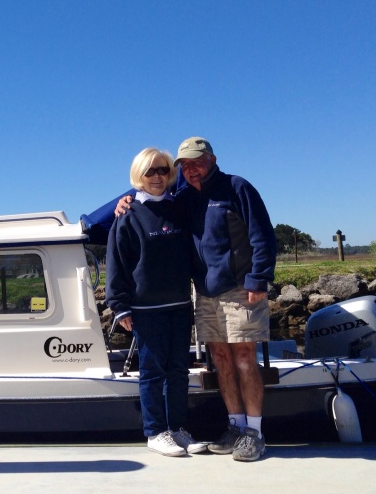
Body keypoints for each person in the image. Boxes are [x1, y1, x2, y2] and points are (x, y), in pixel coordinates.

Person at [116, 137, 276, 462]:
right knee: (221, 360)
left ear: (212, 159)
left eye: (197, 162)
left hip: (241, 290)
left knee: (245, 359)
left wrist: (259, 279)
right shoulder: (181, 197)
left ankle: (255, 433)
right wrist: (122, 201)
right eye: (184, 165)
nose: (191, 169)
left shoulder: (237, 187)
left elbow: (263, 235)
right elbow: (140, 208)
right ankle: (235, 426)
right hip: (204, 294)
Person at [106, 147, 206, 457]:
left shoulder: (179, 209)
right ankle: (155, 432)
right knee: (151, 372)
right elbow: (117, 263)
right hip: (145, 310)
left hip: (178, 306)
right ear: (139, 175)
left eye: (163, 170)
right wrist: (119, 305)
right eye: (150, 171)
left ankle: (177, 428)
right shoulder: (128, 214)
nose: (157, 177)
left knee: (178, 371)